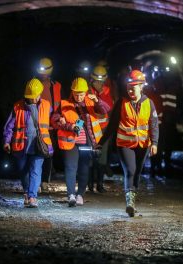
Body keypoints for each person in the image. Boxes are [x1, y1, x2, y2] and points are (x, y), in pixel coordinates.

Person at [101, 69, 159, 217]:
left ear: (141, 86)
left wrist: (154, 143)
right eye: (129, 86)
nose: (131, 89)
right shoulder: (122, 103)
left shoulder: (149, 103)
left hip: (143, 145)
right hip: (125, 144)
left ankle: (133, 202)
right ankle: (129, 203)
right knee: (130, 170)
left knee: (137, 172)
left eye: (134, 86)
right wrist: (101, 142)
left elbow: (153, 124)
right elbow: (112, 125)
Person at [51, 77, 110, 207]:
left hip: (87, 143)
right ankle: (71, 195)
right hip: (70, 142)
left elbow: (106, 110)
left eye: (81, 94)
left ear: (85, 92)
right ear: (72, 92)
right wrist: (68, 126)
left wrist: (98, 101)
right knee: (70, 168)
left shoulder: (91, 102)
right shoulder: (64, 104)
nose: (79, 97)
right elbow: (54, 120)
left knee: (84, 168)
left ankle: (80, 195)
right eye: (76, 94)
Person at [3, 78, 54, 208]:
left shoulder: (47, 106)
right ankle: (27, 192)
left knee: (36, 170)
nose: (34, 99)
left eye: (36, 96)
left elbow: (54, 118)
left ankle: (32, 197)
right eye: (32, 97)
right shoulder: (18, 106)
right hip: (21, 145)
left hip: (39, 145)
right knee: (23, 171)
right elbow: (9, 126)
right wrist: (6, 141)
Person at [36, 57, 62, 189]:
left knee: (48, 153)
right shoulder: (33, 84)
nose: (42, 72)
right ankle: (37, 180)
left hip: (51, 126)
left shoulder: (56, 86)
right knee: (36, 153)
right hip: (36, 125)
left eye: (45, 70)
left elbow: (59, 106)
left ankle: (45, 180)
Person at [88, 65, 114, 193]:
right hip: (90, 130)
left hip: (103, 130)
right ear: (91, 80)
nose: (99, 84)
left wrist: (100, 97)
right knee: (90, 158)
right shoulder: (87, 92)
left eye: (101, 81)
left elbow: (109, 108)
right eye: (97, 81)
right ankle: (90, 185)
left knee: (102, 159)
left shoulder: (107, 92)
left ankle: (100, 184)